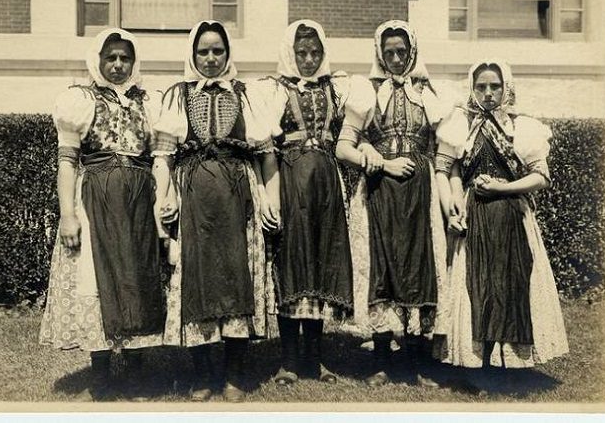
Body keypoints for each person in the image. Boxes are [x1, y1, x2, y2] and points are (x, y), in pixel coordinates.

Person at [39, 28, 166, 401]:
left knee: (138, 278)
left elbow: (159, 161)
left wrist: (163, 208)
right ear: (97, 60)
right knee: (94, 278)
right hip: (94, 201)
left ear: (134, 61)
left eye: (124, 58)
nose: (117, 64)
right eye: (110, 57)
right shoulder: (80, 100)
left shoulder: (151, 102)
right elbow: (67, 162)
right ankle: (102, 378)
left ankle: (140, 376)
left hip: (140, 204)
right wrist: (68, 216)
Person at [152, 20, 273, 402]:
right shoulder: (177, 95)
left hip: (239, 197)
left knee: (238, 273)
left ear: (227, 53)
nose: (210, 58)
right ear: (192, 54)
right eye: (203, 51)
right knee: (198, 276)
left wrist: (272, 199)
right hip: (194, 199)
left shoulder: (247, 94)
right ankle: (203, 373)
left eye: (217, 51)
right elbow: (162, 157)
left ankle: (235, 372)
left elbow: (266, 157)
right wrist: (164, 197)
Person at [433, 59, 568, 384]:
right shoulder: (460, 124)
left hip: (512, 218)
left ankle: (509, 363)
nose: (489, 93)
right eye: (482, 87)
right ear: (472, 89)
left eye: (495, 86)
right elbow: (449, 171)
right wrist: (453, 206)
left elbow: (540, 177)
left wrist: (502, 187)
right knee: (476, 285)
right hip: (474, 217)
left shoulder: (522, 127)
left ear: (506, 88)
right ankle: (475, 361)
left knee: (511, 283)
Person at [335, 20, 448, 387]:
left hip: (420, 194)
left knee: (417, 266)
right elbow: (342, 148)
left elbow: (445, 151)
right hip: (380, 190)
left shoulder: (429, 94)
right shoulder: (366, 93)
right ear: (380, 55)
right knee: (383, 265)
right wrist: (377, 158)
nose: (397, 59)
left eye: (402, 52)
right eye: (389, 53)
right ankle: (382, 362)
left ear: (412, 52)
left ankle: (413, 363)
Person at [256, 20, 362, 385]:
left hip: (326, 185)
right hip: (290, 182)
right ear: (290, 52)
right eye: (302, 53)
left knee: (320, 261)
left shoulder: (337, 88)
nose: (309, 59)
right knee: (292, 262)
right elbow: (265, 146)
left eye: (315, 52)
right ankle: (288, 360)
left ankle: (314, 361)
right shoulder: (274, 90)